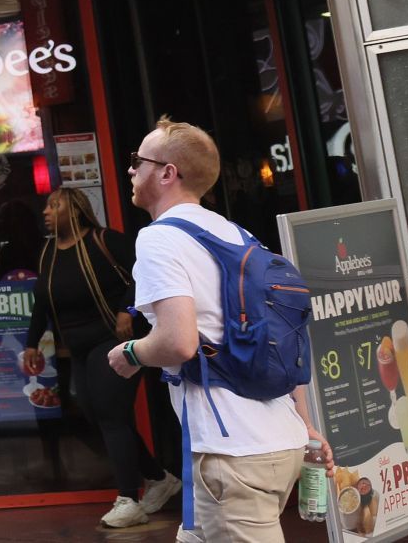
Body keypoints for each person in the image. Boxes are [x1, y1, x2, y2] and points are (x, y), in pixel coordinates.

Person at [108, 119, 331, 543]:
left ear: (168, 173)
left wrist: (131, 353)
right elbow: (283, 339)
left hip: (232, 454)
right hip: (273, 439)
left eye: (138, 161)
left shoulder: (159, 240)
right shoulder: (237, 234)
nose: (130, 170)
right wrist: (305, 425)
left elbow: (178, 340)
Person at [22, 188, 179, 529]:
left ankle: (128, 499)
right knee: (96, 415)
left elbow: (145, 275)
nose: (47, 211)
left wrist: (128, 310)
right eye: (47, 206)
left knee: (110, 413)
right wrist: (31, 343)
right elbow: (41, 303)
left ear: (75, 210)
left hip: (114, 340)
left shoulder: (105, 240)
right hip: (77, 348)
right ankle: (158, 478)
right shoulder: (48, 252)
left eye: (55, 205)